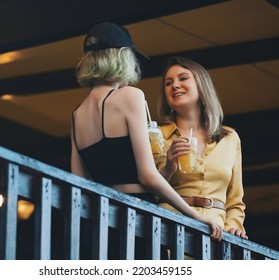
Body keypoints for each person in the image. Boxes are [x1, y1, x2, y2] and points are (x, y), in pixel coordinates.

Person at [70, 22, 223, 259]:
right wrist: (195, 215)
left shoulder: (77, 115)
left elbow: (78, 183)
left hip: (100, 223)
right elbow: (147, 176)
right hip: (137, 218)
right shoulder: (130, 96)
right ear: (123, 57)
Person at [155, 56, 248, 239]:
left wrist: (233, 228)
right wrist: (169, 167)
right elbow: (147, 188)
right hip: (170, 229)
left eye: (183, 78)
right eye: (168, 83)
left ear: (202, 86)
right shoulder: (155, 135)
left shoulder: (230, 138)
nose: (174, 85)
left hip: (218, 235)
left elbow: (235, 201)